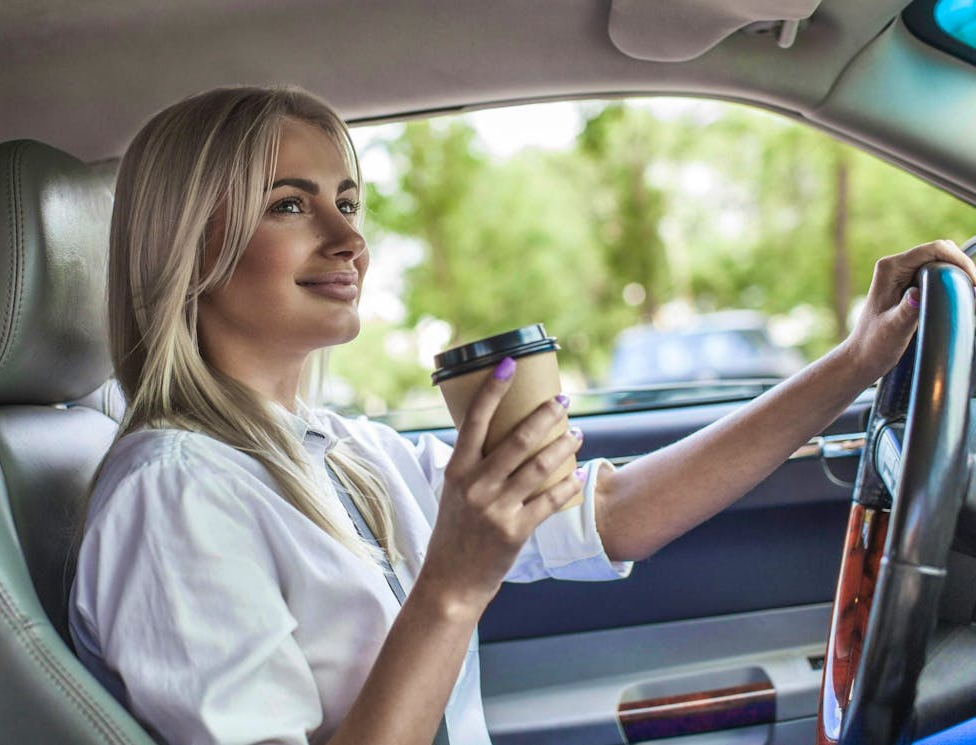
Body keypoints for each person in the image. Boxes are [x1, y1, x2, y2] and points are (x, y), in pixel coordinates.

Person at [68, 85, 976, 745]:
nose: (348, 239)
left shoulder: (338, 451)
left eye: (348, 201)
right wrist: (453, 585)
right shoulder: (174, 496)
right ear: (189, 241)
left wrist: (855, 362)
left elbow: (611, 515)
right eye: (289, 205)